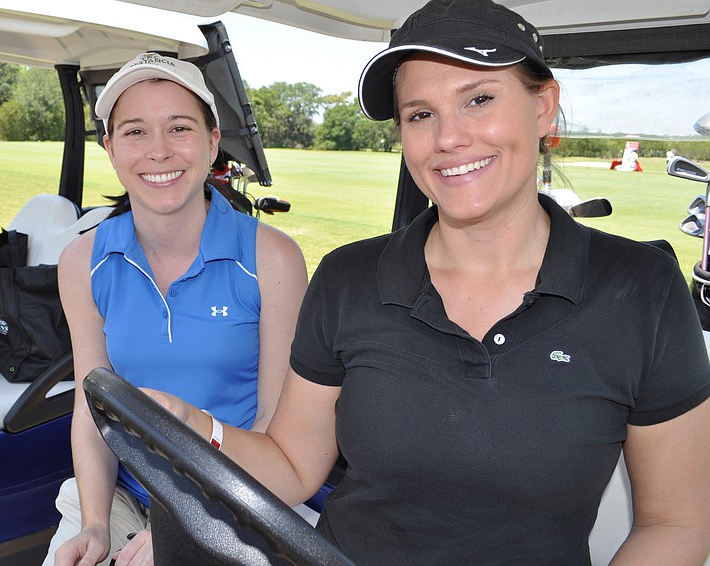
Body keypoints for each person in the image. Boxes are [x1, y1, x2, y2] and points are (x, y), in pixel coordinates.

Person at [143, 1, 710, 564]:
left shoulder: (641, 289)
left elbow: (677, 521)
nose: (448, 139)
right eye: (420, 114)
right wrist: (195, 423)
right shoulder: (350, 277)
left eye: (479, 99)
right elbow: (292, 467)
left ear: (544, 107)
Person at [44, 52, 307, 566]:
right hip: (122, 492)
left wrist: (189, 522)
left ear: (212, 143)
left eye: (179, 128)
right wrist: (95, 524)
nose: (158, 151)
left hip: (240, 497)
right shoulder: (82, 261)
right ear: (110, 149)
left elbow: (277, 432)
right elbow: (90, 405)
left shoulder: (271, 258)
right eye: (135, 132)